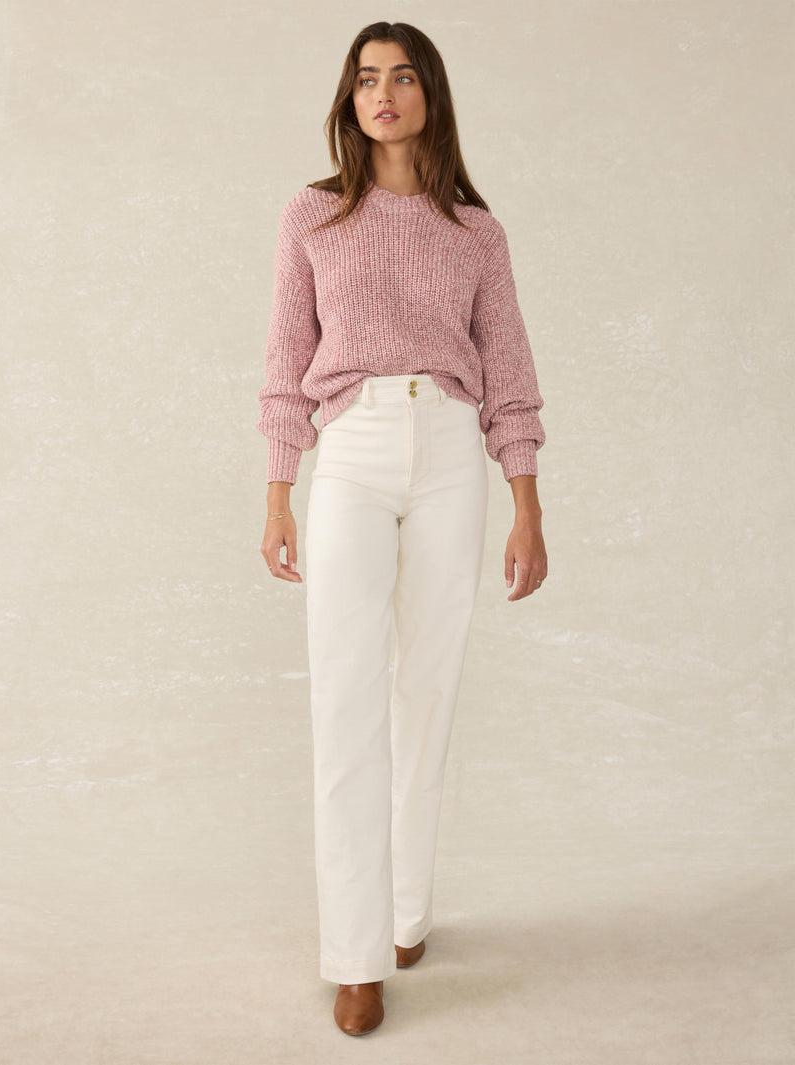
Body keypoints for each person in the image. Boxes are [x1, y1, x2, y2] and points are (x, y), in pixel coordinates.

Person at [257, 21, 548, 1036]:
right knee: (345, 697)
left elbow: (509, 375)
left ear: (430, 96)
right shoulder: (313, 215)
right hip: (352, 449)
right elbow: (284, 359)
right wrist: (278, 492)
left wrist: (526, 505)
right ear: (349, 99)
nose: (383, 93)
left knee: (427, 690)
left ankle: (406, 910)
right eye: (366, 78)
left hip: (451, 457)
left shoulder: (475, 231)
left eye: (403, 77)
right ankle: (354, 953)